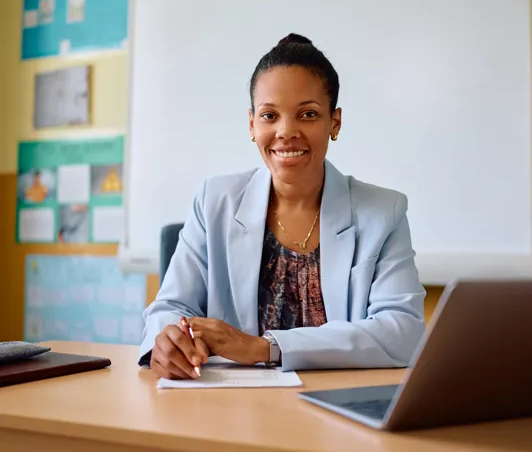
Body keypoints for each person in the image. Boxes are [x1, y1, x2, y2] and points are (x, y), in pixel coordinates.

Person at [139, 34, 426, 380]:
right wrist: (169, 340)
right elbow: (171, 307)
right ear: (251, 124)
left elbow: (401, 332)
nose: (286, 132)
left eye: (307, 114)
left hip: (339, 410)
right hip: (233, 410)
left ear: (334, 122)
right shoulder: (215, 201)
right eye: (269, 115)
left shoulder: (383, 211)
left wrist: (263, 348)